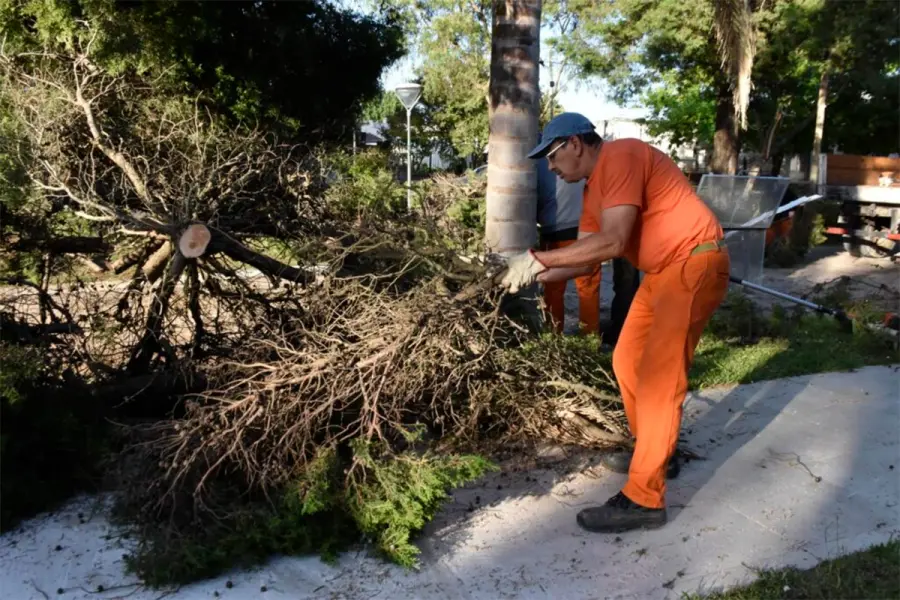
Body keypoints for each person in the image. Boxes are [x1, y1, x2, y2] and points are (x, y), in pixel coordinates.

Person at [500, 113, 730, 533]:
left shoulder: (621, 154)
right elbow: (587, 254)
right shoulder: (592, 192)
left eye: (551, 156)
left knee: (660, 379)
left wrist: (538, 259)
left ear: (574, 143)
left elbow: (614, 242)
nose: (549, 167)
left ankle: (644, 499)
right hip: (663, 272)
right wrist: (524, 275)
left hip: (694, 262)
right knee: (626, 360)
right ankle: (657, 451)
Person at [536, 155, 601, 335]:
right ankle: (590, 340)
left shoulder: (538, 162)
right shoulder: (581, 155)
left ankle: (553, 337)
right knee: (588, 287)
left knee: (553, 287)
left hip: (556, 230)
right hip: (588, 228)